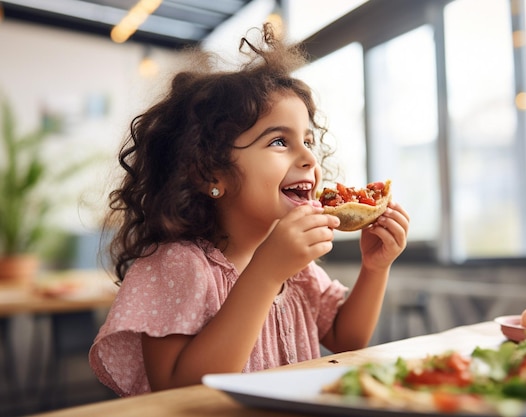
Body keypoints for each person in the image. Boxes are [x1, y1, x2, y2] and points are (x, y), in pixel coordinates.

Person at [89, 24, 410, 397]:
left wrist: (375, 267)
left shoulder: (298, 270)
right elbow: (179, 390)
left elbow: (346, 338)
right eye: (279, 141)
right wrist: (267, 273)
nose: (308, 157)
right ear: (210, 172)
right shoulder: (178, 266)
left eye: (308, 140)